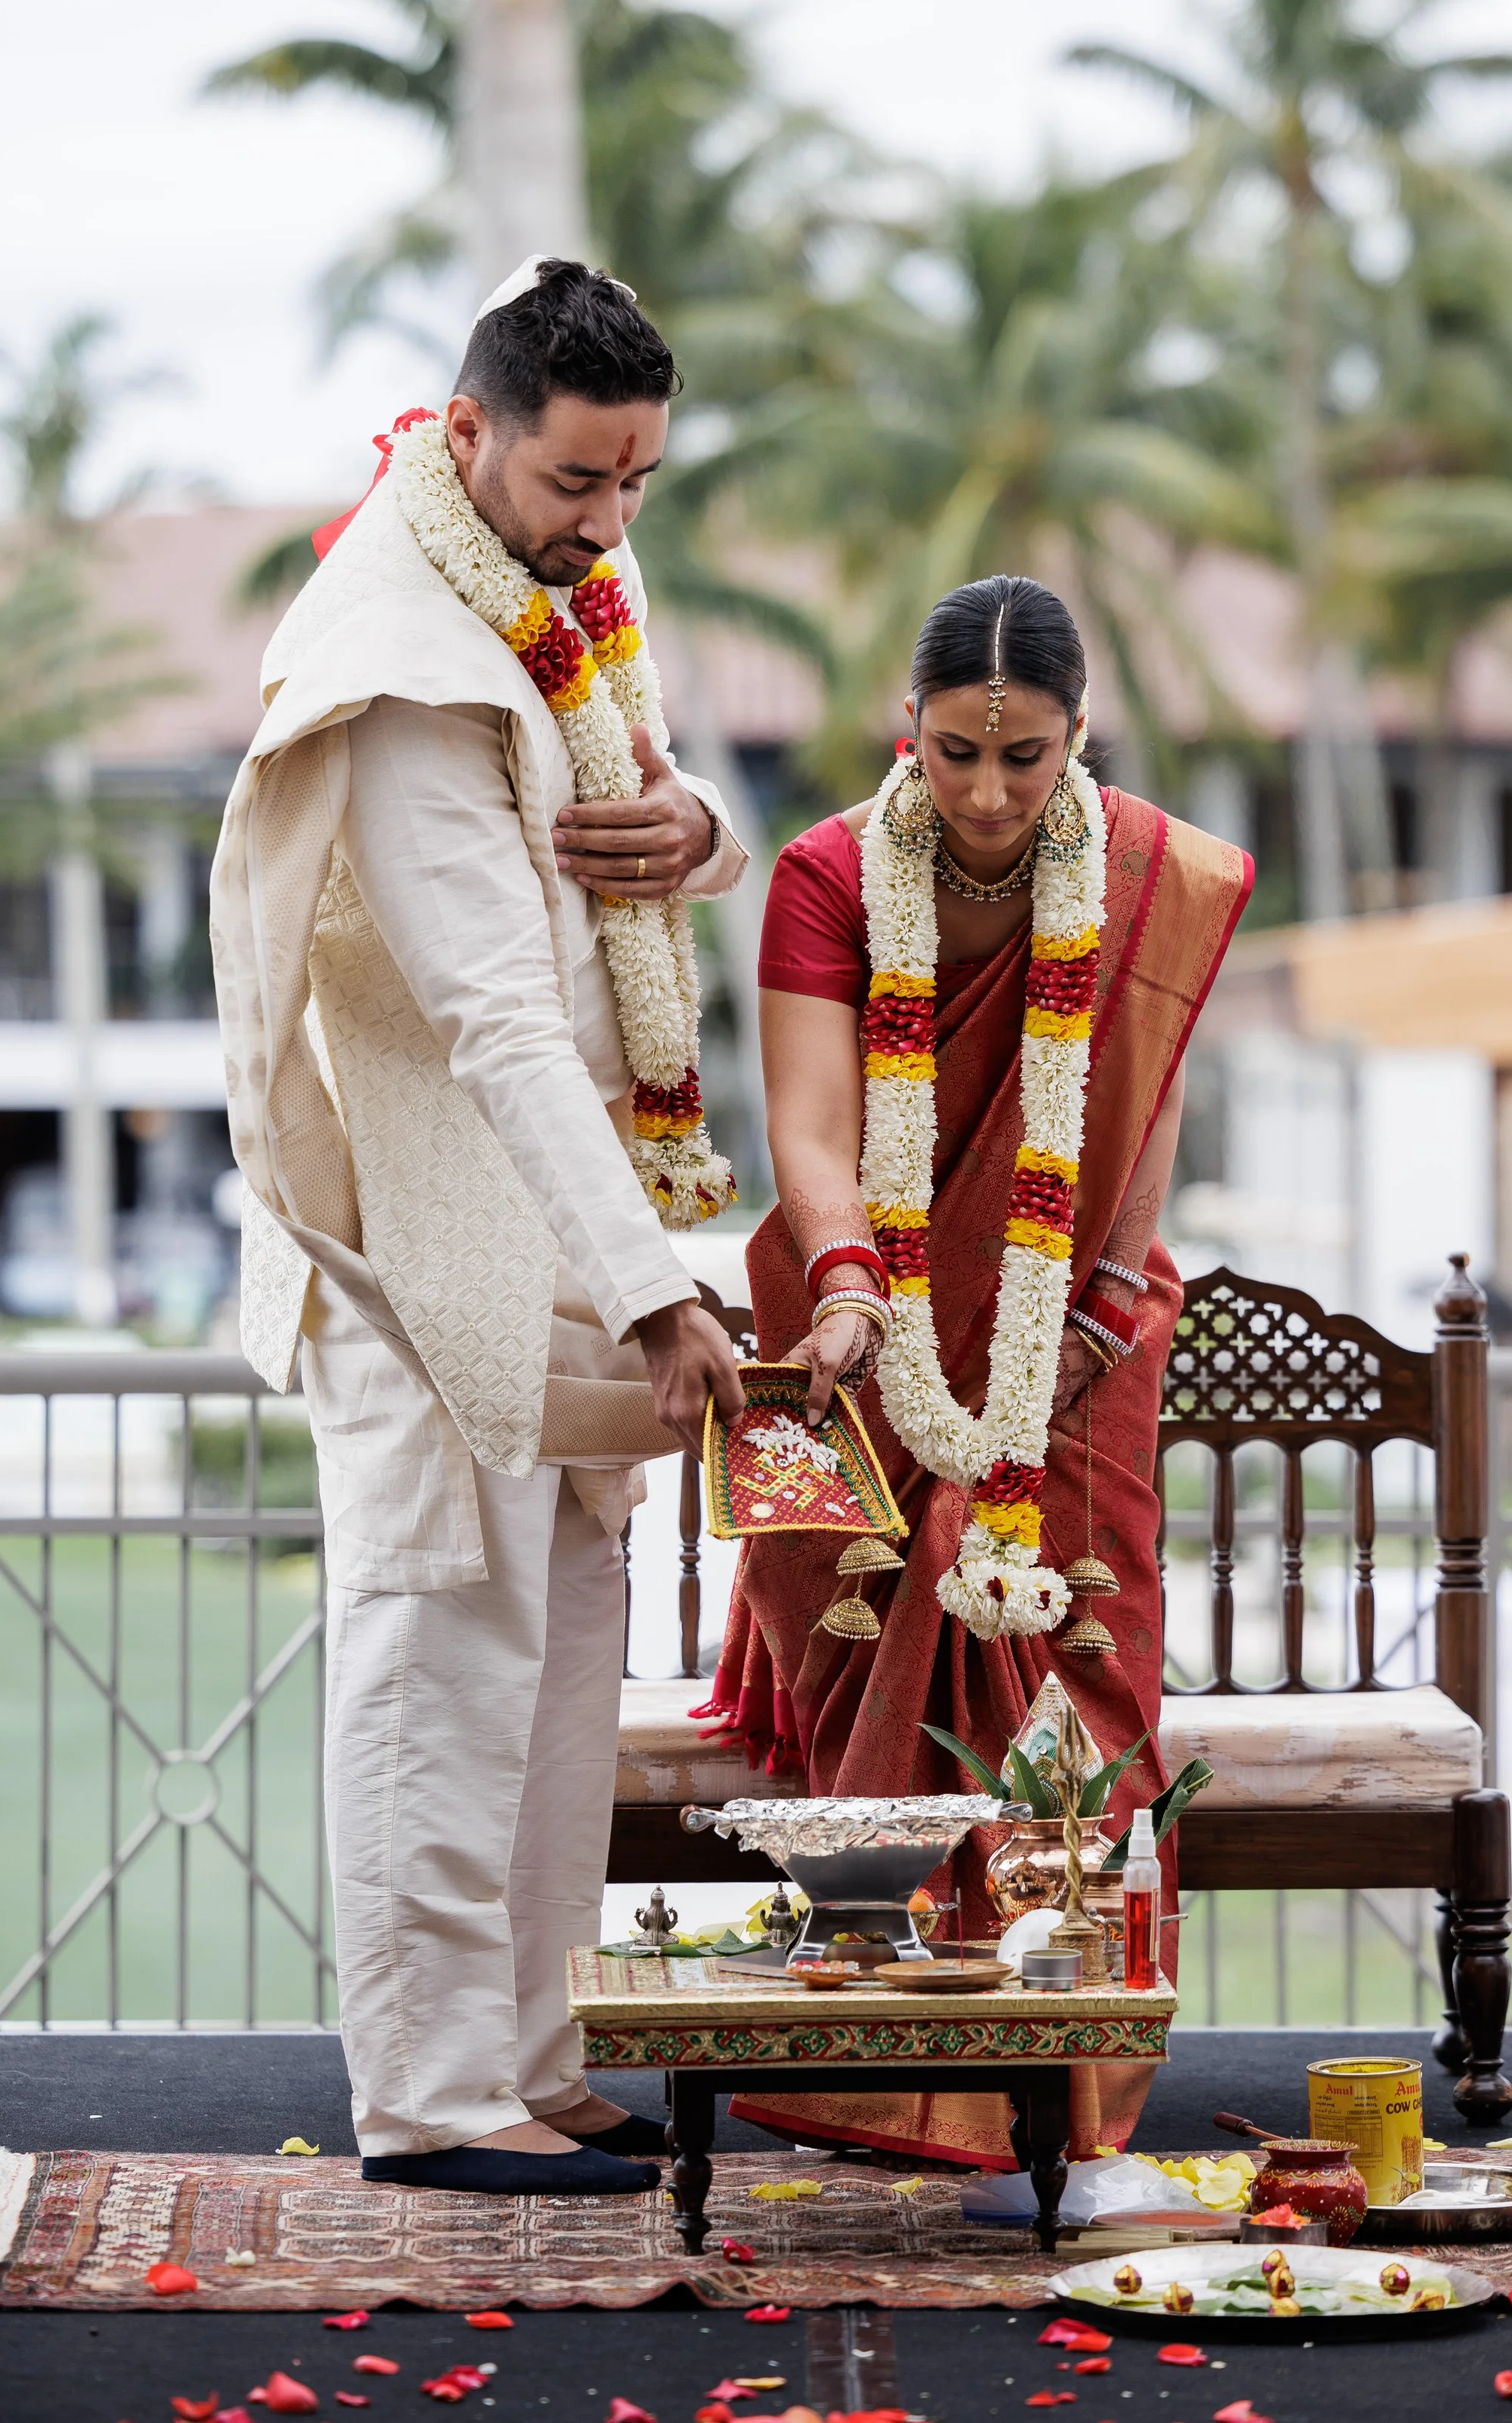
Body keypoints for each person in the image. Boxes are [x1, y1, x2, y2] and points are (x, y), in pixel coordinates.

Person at [210, 259, 747, 2197]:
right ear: (468, 435)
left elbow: (649, 799)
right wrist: (662, 1290)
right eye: (578, 480)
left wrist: (692, 824)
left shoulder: (551, 594)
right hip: (430, 1238)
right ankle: (433, 2098)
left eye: (637, 485)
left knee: (562, 1648)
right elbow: (494, 1017)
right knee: (441, 1645)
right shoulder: (403, 656)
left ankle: (538, 2059)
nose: (609, 524)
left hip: (562, 1219)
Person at [703, 574, 1252, 2167]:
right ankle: (887, 2051)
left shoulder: (1155, 877)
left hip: (1072, 1330)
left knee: (1053, 1649)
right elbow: (808, 1128)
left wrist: (1084, 1320)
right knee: (884, 1576)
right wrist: (856, 1281)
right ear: (907, 735)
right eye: (955, 756)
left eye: (1024, 758)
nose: (990, 793)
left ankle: (1052, 2081)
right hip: (848, 1309)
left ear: (1079, 739)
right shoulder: (823, 874)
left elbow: (1135, 1125)